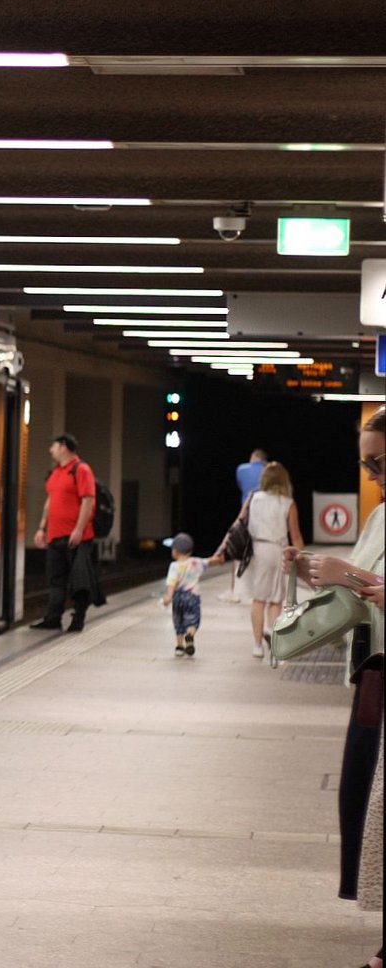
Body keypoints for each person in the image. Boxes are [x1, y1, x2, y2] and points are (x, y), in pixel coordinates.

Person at [283, 408, 384, 968]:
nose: (370, 473)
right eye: (365, 462)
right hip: (376, 681)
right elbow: (356, 601)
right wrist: (317, 575)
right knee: (369, 809)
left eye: (379, 461)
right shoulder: (380, 519)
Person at [224, 461, 304, 661]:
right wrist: (302, 558)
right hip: (279, 550)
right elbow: (295, 535)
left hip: (257, 551)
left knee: (258, 599)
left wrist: (223, 547)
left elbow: (238, 522)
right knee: (276, 599)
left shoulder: (253, 498)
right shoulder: (288, 503)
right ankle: (272, 634)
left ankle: (257, 645)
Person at [31, 433, 102, 633]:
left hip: (76, 537)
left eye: (53, 446)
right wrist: (42, 527)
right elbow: (50, 500)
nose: (50, 450)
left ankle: (78, 618)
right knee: (56, 578)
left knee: (79, 580)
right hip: (54, 535)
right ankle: (53, 617)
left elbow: (88, 500)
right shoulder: (56, 472)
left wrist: (79, 530)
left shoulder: (81, 469)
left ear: (63, 446)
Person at [159, 533, 222, 657]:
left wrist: (168, 597)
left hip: (178, 598)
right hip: (192, 597)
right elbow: (209, 562)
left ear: (176, 551)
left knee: (178, 621)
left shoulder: (174, 566)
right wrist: (218, 559)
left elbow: (172, 582)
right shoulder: (196, 562)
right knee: (192, 620)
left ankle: (179, 646)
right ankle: (190, 635)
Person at [222, 449, 268, 604]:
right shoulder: (269, 470)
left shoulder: (241, 469)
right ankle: (261, 589)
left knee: (238, 550)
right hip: (266, 517)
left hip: (247, 516)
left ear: (253, 458)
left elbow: (242, 486)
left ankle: (235, 591)